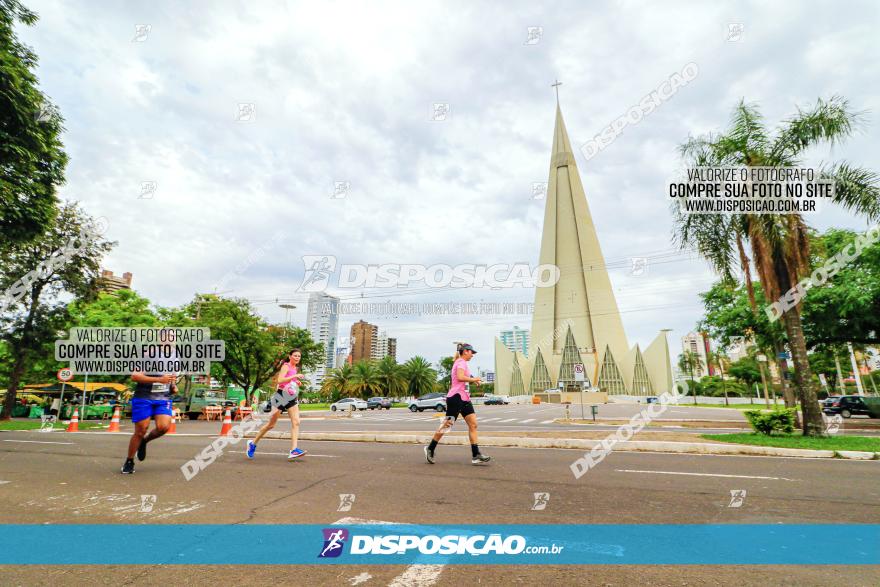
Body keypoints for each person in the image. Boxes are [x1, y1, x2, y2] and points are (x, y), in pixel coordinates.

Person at [121, 329, 179, 474]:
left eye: (173, 337)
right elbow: (135, 376)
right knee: (141, 430)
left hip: (163, 397)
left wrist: (173, 386)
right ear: (161, 339)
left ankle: (144, 442)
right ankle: (129, 461)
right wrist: (159, 379)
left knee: (164, 427)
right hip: (144, 396)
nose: (171, 339)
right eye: (168, 336)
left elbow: (171, 380)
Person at [425, 342, 490, 465]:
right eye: (472, 352)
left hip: (465, 399)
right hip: (455, 398)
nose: (473, 355)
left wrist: (473, 380)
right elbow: (460, 377)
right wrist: (474, 379)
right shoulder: (460, 362)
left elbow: (464, 376)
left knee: (473, 425)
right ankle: (430, 448)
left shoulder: (462, 363)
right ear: (465, 351)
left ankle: (476, 455)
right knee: (447, 425)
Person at [247, 349, 307, 460]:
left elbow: (289, 381)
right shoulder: (286, 366)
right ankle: (253, 443)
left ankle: (294, 450)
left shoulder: (295, 368)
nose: (297, 358)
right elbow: (280, 380)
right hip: (280, 396)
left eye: (299, 356)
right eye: (295, 356)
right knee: (271, 425)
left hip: (291, 396)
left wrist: (296, 382)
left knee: (296, 422)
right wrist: (294, 377)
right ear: (290, 356)